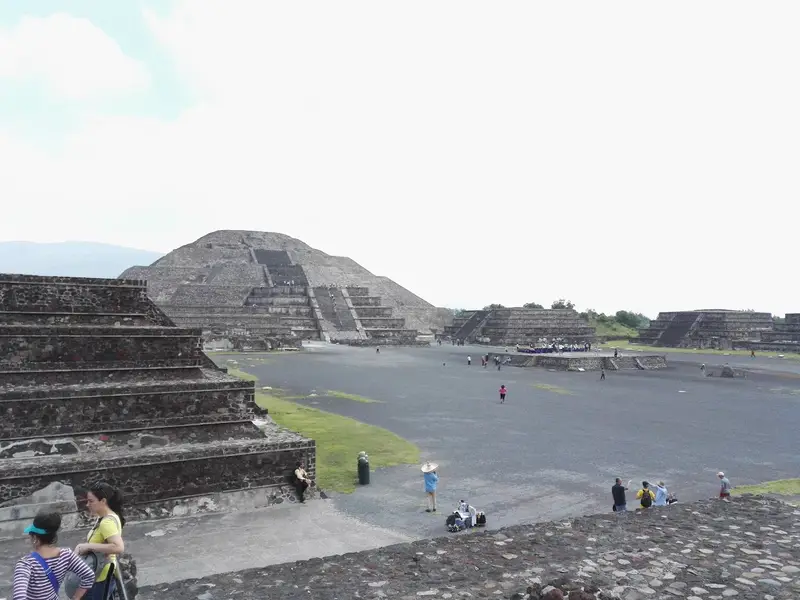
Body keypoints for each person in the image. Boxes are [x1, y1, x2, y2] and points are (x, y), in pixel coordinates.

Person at [14, 512, 95, 600]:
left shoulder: (26, 564)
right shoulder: (66, 555)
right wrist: (76, 597)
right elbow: (89, 575)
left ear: (35, 538)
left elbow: (19, 597)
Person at [74, 482, 125, 600]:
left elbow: (118, 547)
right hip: (104, 572)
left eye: (91, 501)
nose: (87, 504)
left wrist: (88, 546)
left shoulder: (107, 522)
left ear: (103, 501)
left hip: (101, 575)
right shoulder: (107, 517)